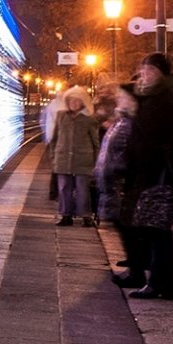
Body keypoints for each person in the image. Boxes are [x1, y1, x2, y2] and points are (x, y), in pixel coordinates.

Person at [122, 53, 173, 299]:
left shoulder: (164, 99)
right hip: (147, 171)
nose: (145, 74)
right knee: (152, 227)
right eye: (144, 69)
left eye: (150, 70)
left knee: (156, 228)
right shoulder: (153, 97)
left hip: (156, 172)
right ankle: (156, 280)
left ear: (161, 73)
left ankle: (160, 283)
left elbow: (158, 135)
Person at [97, 85, 143, 286]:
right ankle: (134, 266)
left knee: (128, 227)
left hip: (120, 183)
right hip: (113, 182)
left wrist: (118, 173)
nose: (119, 99)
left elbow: (129, 153)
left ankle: (137, 272)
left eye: (123, 97)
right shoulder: (122, 121)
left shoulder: (131, 123)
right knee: (123, 226)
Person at [49, 90, 102, 226]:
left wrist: (97, 162)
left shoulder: (89, 119)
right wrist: (53, 156)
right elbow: (55, 138)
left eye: (77, 101)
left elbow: (95, 142)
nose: (74, 103)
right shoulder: (61, 116)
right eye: (71, 100)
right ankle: (66, 215)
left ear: (83, 103)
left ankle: (86, 216)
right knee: (64, 188)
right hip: (63, 158)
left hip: (83, 159)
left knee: (82, 189)